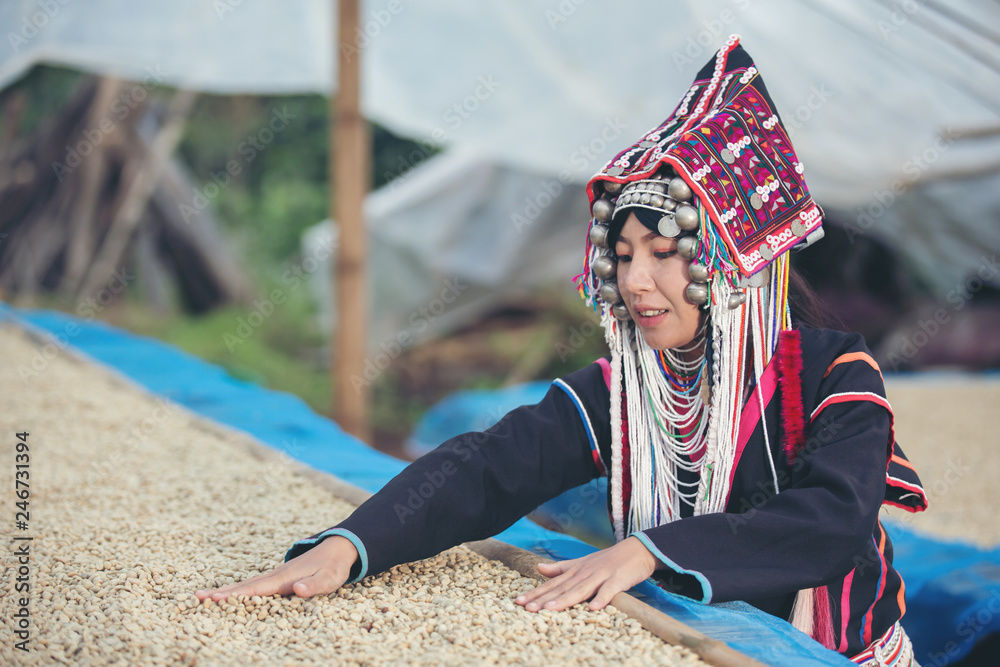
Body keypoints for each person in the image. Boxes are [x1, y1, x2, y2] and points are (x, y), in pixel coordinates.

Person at [197, 36, 927, 665]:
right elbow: (487, 466)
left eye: (664, 252)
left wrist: (650, 551)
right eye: (624, 255)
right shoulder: (627, 390)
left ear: (733, 259)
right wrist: (352, 546)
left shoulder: (832, 373)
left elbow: (833, 516)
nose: (636, 281)